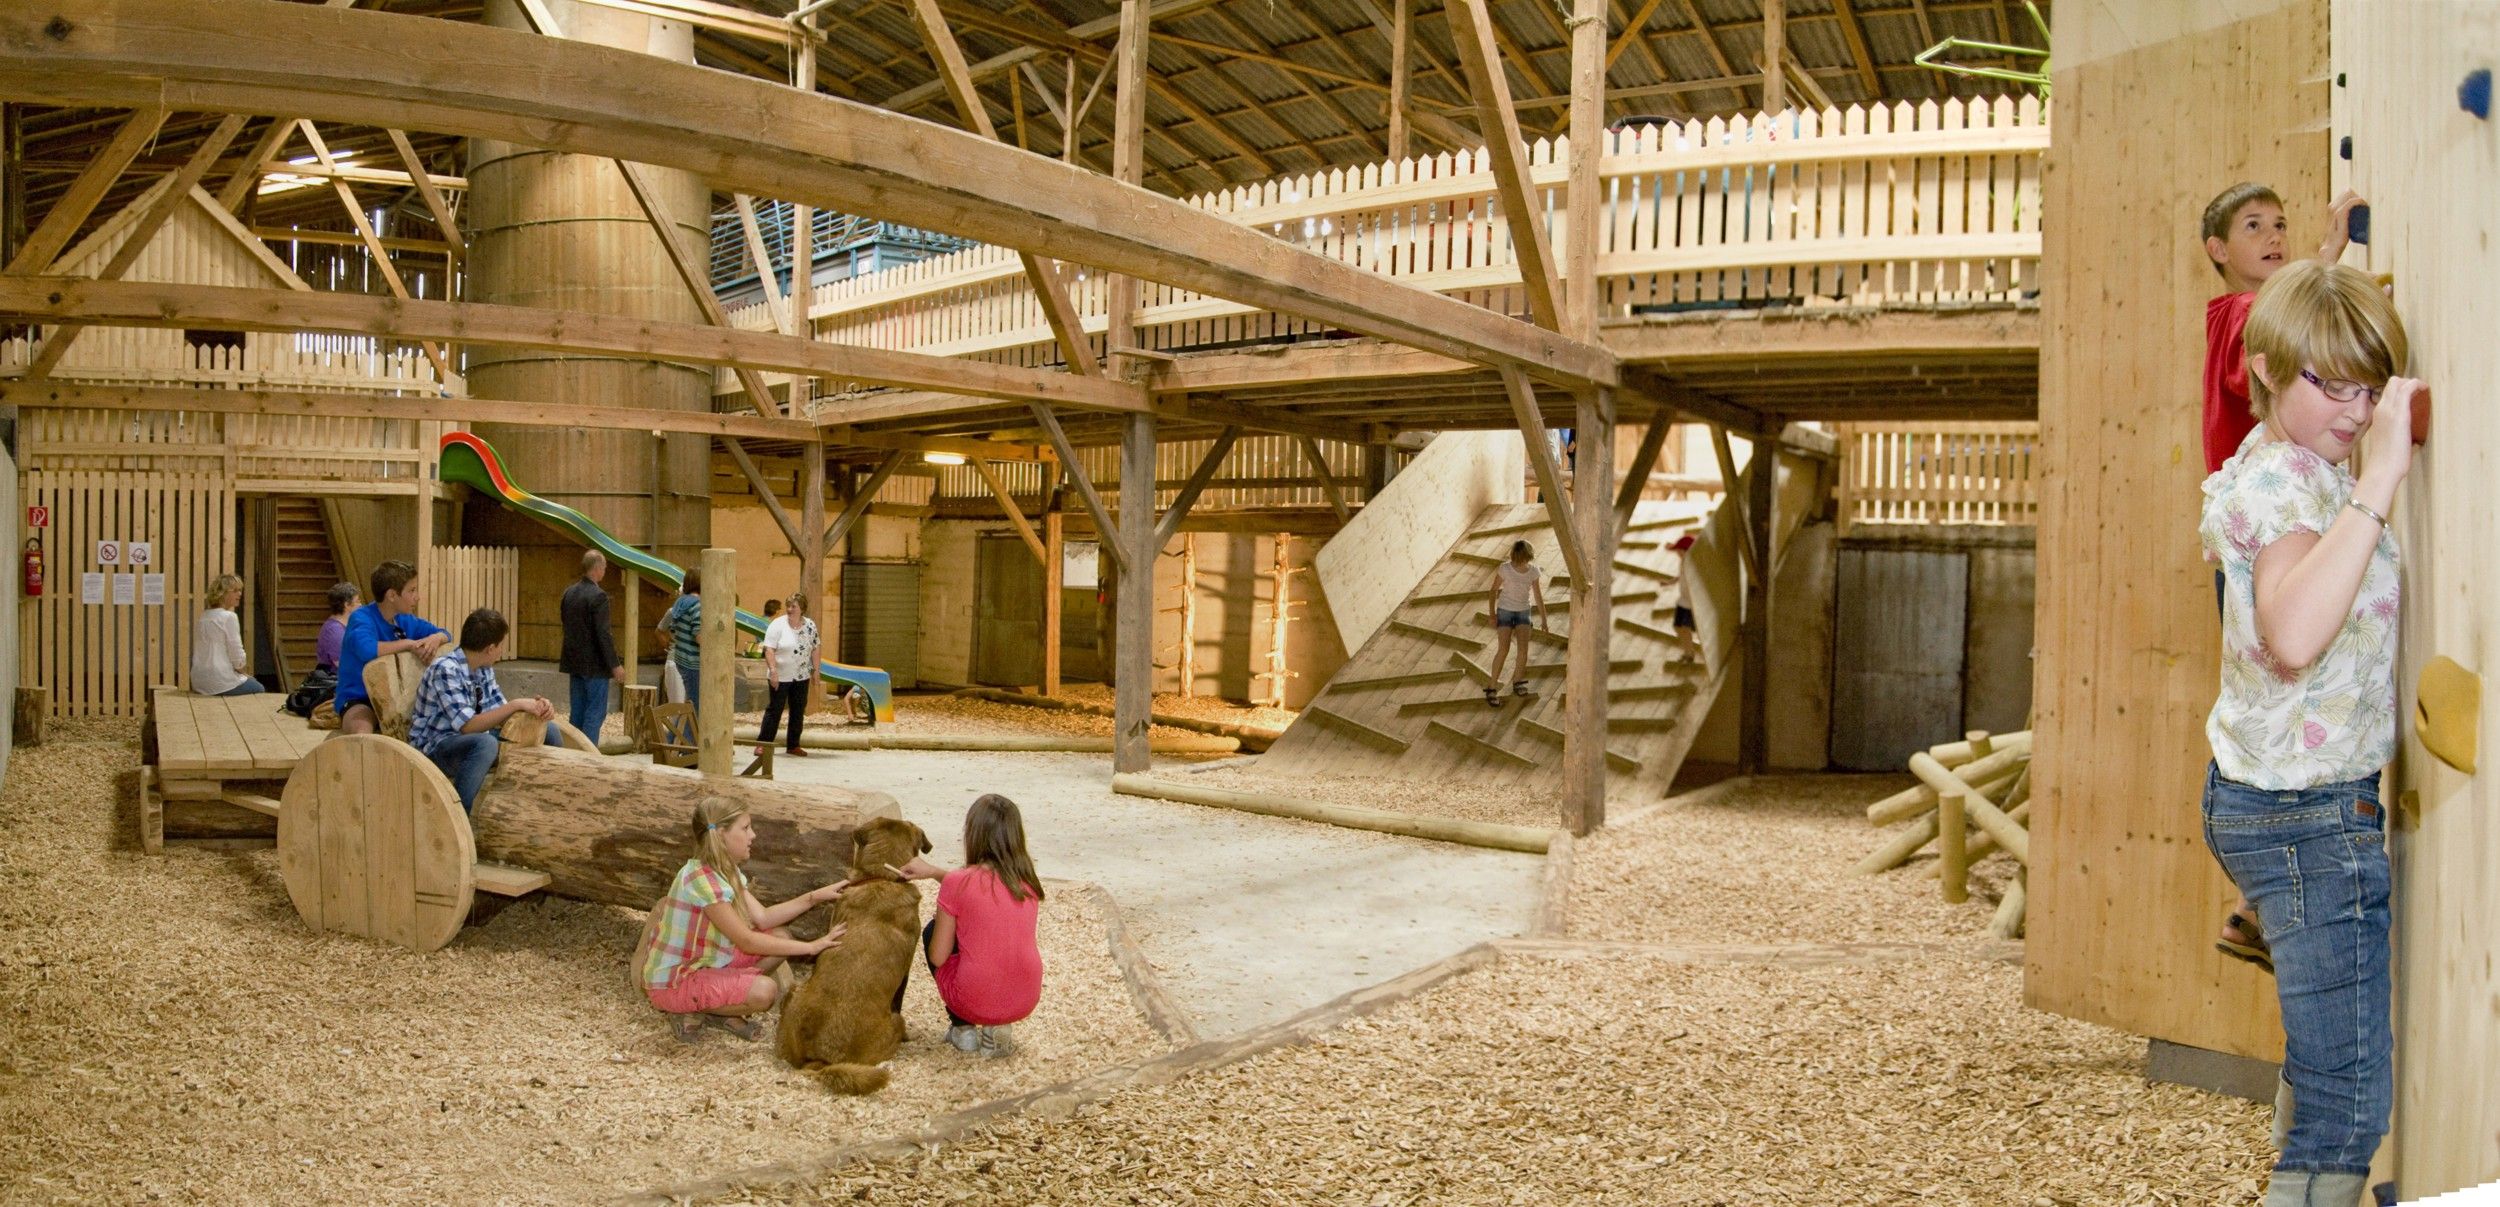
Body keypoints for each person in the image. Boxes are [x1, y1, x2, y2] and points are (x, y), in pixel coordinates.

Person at [2197, 260, 2415, 1207]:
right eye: (2329, 384)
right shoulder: (2292, 482)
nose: (2355, 410)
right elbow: (2292, 634)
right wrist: (2387, 477)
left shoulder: (2294, 461)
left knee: (2328, 1056)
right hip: (2305, 814)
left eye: (2367, 388)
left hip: (2285, 798)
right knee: (2351, 1097)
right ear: (2270, 369)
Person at [2197, 182, 2363, 971]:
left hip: (2266, 547)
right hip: (2260, 549)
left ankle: (2250, 910)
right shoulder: (2237, 319)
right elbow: (2264, 360)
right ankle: (2261, 897)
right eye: (2251, 227)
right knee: (2280, 698)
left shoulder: (2249, 317)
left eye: (2279, 225)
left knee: (2279, 700)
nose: (2271, 235)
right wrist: (2326, 260)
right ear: (2217, 252)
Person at [642, 795, 849, 1043]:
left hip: (709, 962)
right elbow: (747, 941)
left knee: (782, 937)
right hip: (675, 982)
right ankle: (697, 1008)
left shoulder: (725, 870)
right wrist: (812, 947)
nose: (753, 835)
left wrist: (815, 896)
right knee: (764, 991)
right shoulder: (702, 880)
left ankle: (723, 1000)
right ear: (720, 834)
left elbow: (763, 918)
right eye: (746, 828)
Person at [893, 794, 1044, 1058]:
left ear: (972, 834)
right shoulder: (1029, 883)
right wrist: (934, 872)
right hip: (1025, 998)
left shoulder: (957, 883)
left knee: (932, 931)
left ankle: (963, 1029)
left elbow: (939, 955)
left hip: (973, 999)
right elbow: (983, 892)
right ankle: (998, 1027)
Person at [405, 609, 558, 813]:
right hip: (436, 747)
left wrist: (536, 709)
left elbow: (502, 715)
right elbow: (468, 726)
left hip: (471, 739)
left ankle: (548, 799)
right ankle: (460, 816)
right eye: (501, 646)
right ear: (490, 648)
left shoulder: (484, 668)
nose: (501, 651)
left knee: (551, 729)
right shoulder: (445, 669)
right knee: (486, 743)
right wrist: (516, 705)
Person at [336, 560, 451, 734]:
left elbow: (446, 633)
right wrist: (408, 644)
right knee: (362, 734)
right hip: (360, 699)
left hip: (400, 699)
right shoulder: (361, 617)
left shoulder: (405, 619)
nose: (417, 597)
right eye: (412, 590)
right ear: (392, 595)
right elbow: (367, 650)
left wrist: (436, 638)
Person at [559, 551, 627, 740]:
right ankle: (589, 756)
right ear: (597, 569)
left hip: (574, 662)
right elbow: (603, 634)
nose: (604, 571)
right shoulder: (599, 596)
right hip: (595, 665)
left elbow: (565, 624)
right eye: (604, 568)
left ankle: (574, 753)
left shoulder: (569, 593)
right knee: (595, 713)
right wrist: (615, 664)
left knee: (577, 712)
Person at [1483, 539, 1547, 707]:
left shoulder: (1533, 572)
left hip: (1523, 611)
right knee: (1503, 649)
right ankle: (1491, 687)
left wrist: (1544, 619)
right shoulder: (1505, 568)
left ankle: (1517, 682)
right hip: (1505, 610)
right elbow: (1493, 591)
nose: (1519, 561)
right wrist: (1492, 614)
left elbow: (1538, 596)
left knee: (1523, 650)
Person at [758, 591, 820, 760]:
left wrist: (816, 671)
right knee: (775, 710)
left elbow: (815, 648)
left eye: (794, 606)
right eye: (788, 606)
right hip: (780, 674)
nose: (789, 609)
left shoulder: (810, 626)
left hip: (801, 675)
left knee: (798, 710)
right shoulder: (777, 625)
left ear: (802, 609)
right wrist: (773, 671)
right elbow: (769, 649)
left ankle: (793, 745)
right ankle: (763, 744)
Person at [189, 573, 261, 697]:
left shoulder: (204, 616)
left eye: (240, 590)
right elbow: (237, 655)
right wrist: (243, 673)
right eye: (235, 590)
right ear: (223, 593)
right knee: (258, 687)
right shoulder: (229, 617)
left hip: (198, 680)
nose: (240, 594)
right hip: (219, 680)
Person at [657, 570, 704, 714]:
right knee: (690, 709)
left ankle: (674, 736)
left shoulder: (678, 605)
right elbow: (698, 635)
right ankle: (682, 736)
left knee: (679, 709)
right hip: (691, 661)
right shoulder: (697, 606)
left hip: (678, 659)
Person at [1666, 533, 1704, 663]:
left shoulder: (1694, 565)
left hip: (1692, 603)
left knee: (1695, 630)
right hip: (1684, 601)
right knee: (1679, 627)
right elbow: (1680, 576)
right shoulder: (1683, 562)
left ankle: (1692, 653)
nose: (1677, 552)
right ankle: (1689, 653)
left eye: (1679, 550)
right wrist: (1669, 582)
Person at [316, 583, 357, 674]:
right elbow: (345, 666)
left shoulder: (346, 626)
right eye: (357, 601)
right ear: (347, 605)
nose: (361, 605)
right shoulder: (334, 631)